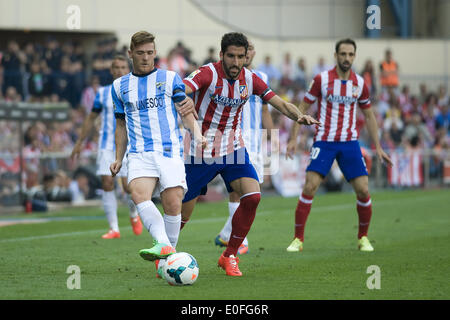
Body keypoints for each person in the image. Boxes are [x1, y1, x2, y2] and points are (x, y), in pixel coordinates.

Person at [178, 32, 319, 276]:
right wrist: (184, 99)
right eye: (230, 56)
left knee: (252, 197)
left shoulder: (251, 79)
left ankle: (229, 255)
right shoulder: (207, 73)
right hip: (201, 149)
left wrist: (299, 116)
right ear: (221, 55)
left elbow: (281, 103)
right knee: (181, 211)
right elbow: (181, 88)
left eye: (240, 57)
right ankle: (167, 252)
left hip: (233, 147)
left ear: (246, 57)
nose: (235, 62)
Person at [109, 31, 206, 273]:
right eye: (140, 53)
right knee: (138, 193)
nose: (145, 58)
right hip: (140, 152)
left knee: (173, 204)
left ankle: (166, 260)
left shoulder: (171, 78)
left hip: (169, 150)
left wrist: (199, 135)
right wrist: (118, 157)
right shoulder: (119, 87)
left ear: (155, 53)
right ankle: (163, 245)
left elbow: (185, 111)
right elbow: (120, 124)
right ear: (131, 54)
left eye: (150, 53)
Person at [285, 38, 393, 253]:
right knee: (310, 186)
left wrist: (378, 146)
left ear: (354, 56)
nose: (347, 58)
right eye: (343, 54)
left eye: (351, 54)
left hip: (350, 143)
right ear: (336, 56)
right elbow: (302, 107)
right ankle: (298, 239)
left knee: (363, 190)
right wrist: (293, 138)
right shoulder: (321, 79)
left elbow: (369, 116)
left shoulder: (360, 83)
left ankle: (363, 237)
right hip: (324, 141)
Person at [213, 41, 276, 255]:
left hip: (255, 141)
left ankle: (226, 235)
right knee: (239, 191)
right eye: (242, 50)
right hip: (233, 140)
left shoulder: (260, 79)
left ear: (253, 53)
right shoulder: (223, 79)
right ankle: (241, 240)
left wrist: (272, 136)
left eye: (249, 49)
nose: (246, 53)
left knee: (248, 191)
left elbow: (266, 110)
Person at [71, 55, 142, 239]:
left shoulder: (136, 91)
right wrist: (79, 142)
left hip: (129, 145)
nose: (119, 70)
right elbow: (91, 118)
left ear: (128, 70)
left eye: (122, 67)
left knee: (128, 188)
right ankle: (114, 228)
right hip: (106, 146)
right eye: (116, 67)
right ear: (111, 70)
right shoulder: (102, 93)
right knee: (107, 182)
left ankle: (134, 214)